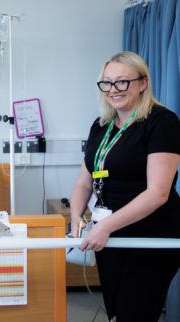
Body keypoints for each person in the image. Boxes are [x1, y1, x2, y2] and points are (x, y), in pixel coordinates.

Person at [70, 51, 180, 322]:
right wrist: (76, 218)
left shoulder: (161, 122)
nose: (113, 89)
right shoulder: (101, 126)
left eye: (122, 82)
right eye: (106, 83)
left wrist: (105, 226)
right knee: (116, 311)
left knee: (136, 313)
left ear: (142, 83)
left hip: (150, 232)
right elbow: (84, 183)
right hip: (110, 234)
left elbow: (158, 192)